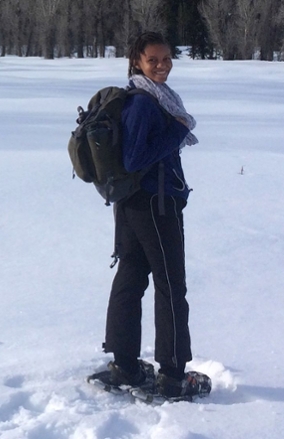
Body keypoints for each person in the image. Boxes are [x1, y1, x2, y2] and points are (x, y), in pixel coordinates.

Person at [97, 31, 207, 399]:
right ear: (136, 62)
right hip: (154, 204)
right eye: (152, 60)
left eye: (166, 58)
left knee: (130, 277)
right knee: (171, 285)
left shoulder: (148, 98)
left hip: (134, 204)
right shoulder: (145, 103)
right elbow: (134, 159)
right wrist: (176, 131)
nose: (161, 66)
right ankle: (173, 376)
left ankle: (125, 365)